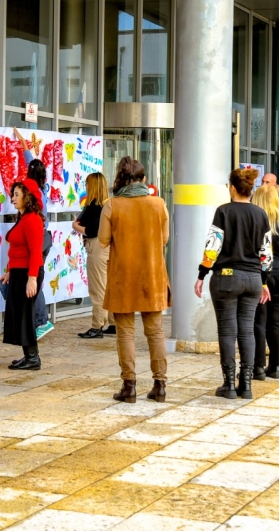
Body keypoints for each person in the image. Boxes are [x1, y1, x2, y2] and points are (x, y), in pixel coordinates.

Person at [195, 168, 273, 399]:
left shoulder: (223, 211)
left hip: (226, 277)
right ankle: (246, 385)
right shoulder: (261, 214)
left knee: (228, 331)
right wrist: (264, 281)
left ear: (232, 188)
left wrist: (202, 274)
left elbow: (213, 246)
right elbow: (266, 253)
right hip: (252, 279)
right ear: (250, 189)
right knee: (247, 330)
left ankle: (229, 384)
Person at [99, 157, 170, 403]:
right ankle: (159, 384)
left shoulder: (112, 205)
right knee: (155, 331)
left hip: (123, 276)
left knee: (125, 332)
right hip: (152, 274)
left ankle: (129, 386)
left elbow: (103, 240)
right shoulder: (158, 204)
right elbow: (164, 239)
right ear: (143, 179)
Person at [14, 127, 54, 340]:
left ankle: (41, 321)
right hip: (45, 236)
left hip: (37, 238)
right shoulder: (42, 188)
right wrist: (22, 142)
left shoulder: (32, 191)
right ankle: (38, 320)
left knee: (32, 278)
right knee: (34, 278)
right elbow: (31, 157)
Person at [2, 179, 46, 371]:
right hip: (19, 272)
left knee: (25, 315)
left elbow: (36, 251)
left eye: (17, 195)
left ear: (27, 197)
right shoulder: (23, 218)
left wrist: (32, 278)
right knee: (20, 314)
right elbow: (17, 250)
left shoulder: (32, 219)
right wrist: (10, 272)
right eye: (13, 194)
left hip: (29, 273)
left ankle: (33, 357)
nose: (13, 198)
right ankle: (28, 355)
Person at [250, 185, 279, 380]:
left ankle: (258, 366)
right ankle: (276, 366)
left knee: (259, 321)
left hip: (263, 273)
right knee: (276, 321)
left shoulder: (256, 222)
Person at [74, 173, 113, 339]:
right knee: (110, 287)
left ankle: (97, 326)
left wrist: (76, 226)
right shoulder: (109, 205)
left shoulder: (94, 207)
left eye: (87, 184)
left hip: (97, 248)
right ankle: (114, 322)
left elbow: (91, 230)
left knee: (98, 289)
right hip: (109, 248)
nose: (85, 187)